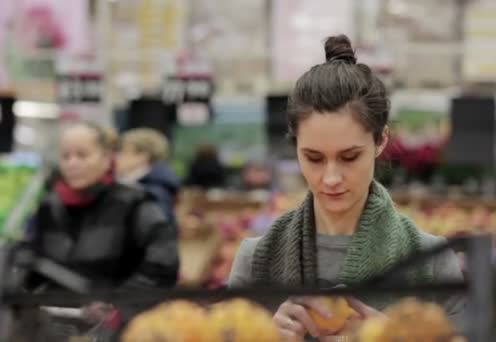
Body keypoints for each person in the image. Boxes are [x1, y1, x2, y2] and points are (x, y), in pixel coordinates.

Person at [228, 35, 465, 341]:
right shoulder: (254, 260)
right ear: (295, 146)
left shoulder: (432, 261)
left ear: (380, 141)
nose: (330, 178)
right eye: (313, 158)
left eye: (349, 157)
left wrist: (391, 336)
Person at [24, 123, 179, 316]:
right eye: (66, 156)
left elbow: (164, 265)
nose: (72, 163)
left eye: (82, 155)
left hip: (117, 329)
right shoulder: (49, 207)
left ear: (106, 158)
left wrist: (117, 304)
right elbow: (30, 264)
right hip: (53, 327)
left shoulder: (136, 205)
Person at [115, 128, 180, 224]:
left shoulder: (153, 192)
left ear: (142, 156)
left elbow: (157, 232)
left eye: (123, 152)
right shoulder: (137, 185)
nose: (116, 157)